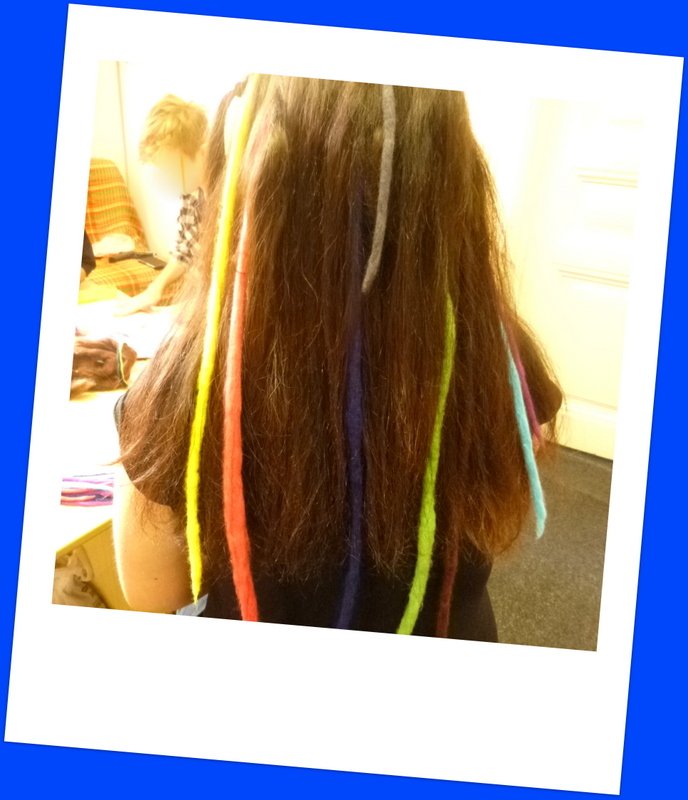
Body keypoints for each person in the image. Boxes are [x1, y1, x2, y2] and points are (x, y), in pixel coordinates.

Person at [113, 75, 562, 640]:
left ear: (249, 192)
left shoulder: (185, 388)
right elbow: (499, 513)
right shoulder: (502, 361)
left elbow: (151, 592)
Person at [115, 94, 208, 315]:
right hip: (202, 304)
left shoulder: (232, 197)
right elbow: (185, 250)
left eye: (171, 167)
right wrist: (154, 289)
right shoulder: (192, 194)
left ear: (202, 153)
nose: (169, 178)